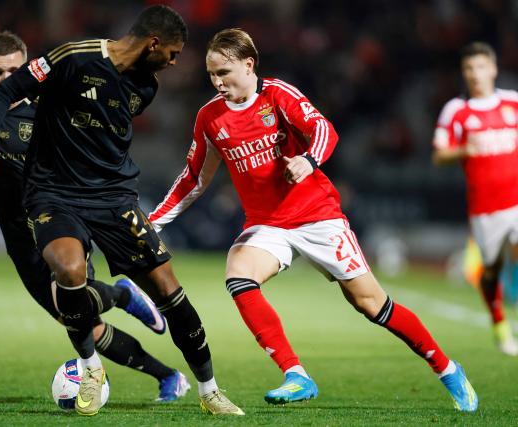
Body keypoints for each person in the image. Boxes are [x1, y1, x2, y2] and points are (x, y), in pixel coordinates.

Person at [149, 28, 478, 412]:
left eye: (224, 72)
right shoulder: (210, 118)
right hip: (266, 224)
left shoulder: (277, 95)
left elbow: (323, 129)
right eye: (211, 75)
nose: (217, 82)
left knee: (372, 304)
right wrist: (153, 222)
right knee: (238, 275)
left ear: (248, 64)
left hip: (317, 216)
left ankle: (446, 367)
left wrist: (308, 160)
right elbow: (194, 178)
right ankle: (296, 374)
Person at [0, 7, 243, 417]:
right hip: (54, 194)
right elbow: (3, 93)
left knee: (169, 291)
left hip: (114, 198)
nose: (175, 61)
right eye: (173, 52)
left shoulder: (145, 86)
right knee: (69, 272)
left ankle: (210, 389)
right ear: (153, 43)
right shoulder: (73, 56)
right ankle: (91, 368)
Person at [0, 31, 191, 403]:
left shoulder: (54, 108)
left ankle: (126, 305)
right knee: (84, 327)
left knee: (70, 303)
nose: (6, 79)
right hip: (21, 245)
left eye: (14, 70)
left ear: (27, 68)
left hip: (62, 228)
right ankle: (164, 367)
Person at [432, 41, 518, 357]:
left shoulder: (513, 102)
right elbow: (439, 155)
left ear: (494, 69)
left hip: (516, 200)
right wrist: (464, 150)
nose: (476, 74)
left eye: (481, 67)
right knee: (491, 272)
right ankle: (499, 324)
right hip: (486, 209)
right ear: (463, 73)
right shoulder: (456, 110)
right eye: (470, 68)